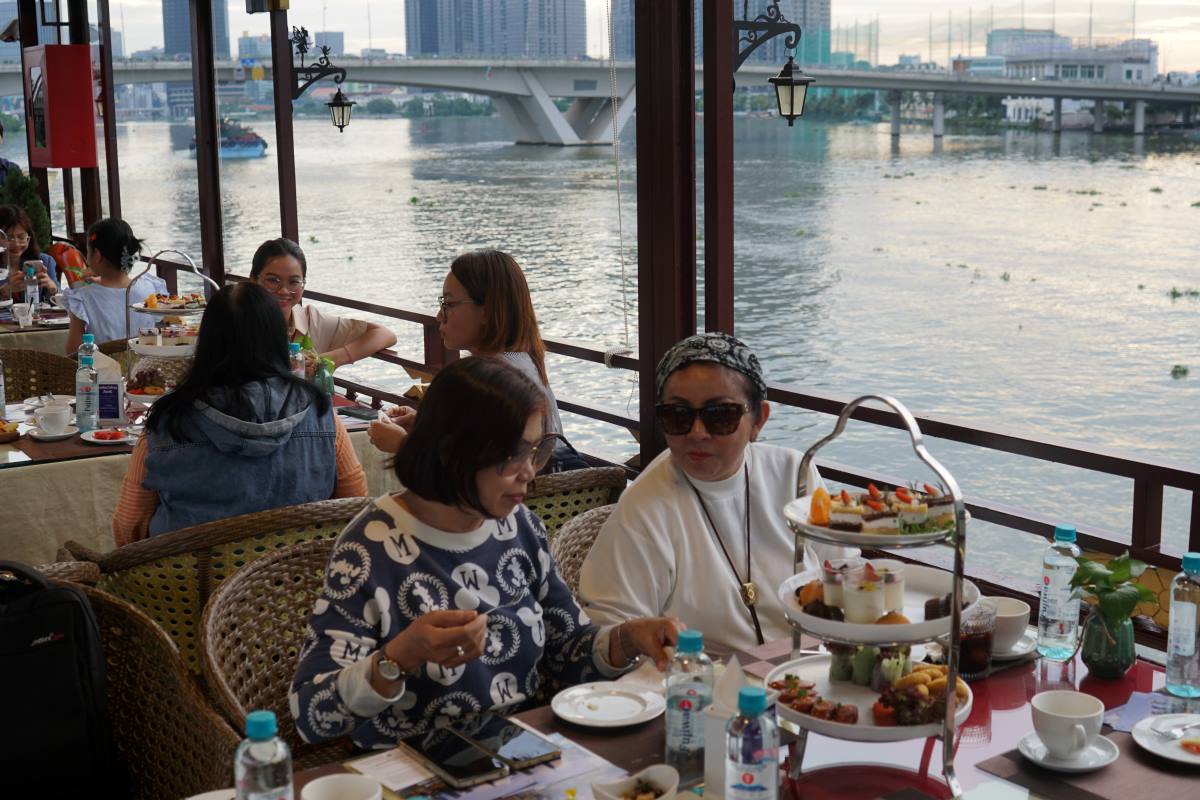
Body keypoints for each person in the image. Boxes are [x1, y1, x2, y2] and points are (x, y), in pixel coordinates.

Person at [291, 357, 680, 749]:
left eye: (536, 450)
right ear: (451, 451)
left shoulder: (520, 527)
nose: (529, 472)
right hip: (409, 764)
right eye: (512, 455)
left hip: (523, 748)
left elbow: (570, 652)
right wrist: (400, 657)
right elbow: (312, 714)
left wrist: (629, 638)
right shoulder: (370, 547)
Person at [577, 332, 857, 653]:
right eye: (677, 415)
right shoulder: (645, 507)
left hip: (811, 663)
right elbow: (610, 632)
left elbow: (845, 572)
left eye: (721, 415)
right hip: (706, 677)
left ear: (759, 420)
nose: (698, 433)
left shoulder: (794, 474)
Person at [111, 282, 368, 545]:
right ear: (278, 340)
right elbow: (355, 506)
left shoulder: (168, 421)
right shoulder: (321, 415)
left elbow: (129, 525)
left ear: (206, 342)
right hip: (298, 567)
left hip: (189, 571)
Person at [369, 250, 587, 472]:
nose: (439, 316)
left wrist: (403, 445)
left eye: (448, 304)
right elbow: (483, 444)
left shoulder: (488, 380)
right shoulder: (523, 363)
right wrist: (421, 427)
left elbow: (472, 476)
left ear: (487, 311)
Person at [249, 238, 397, 368]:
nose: (283, 291)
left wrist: (326, 360)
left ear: (303, 285)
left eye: (293, 282)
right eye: (273, 280)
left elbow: (385, 334)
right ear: (253, 280)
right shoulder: (241, 322)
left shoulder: (310, 321)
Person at [62, 218, 166, 353]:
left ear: (97, 255)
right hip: (146, 363)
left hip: (103, 366)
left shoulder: (82, 298)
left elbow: (73, 351)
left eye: (88, 251)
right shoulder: (150, 288)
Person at [0, 204, 57, 303]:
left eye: (21, 237)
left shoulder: (45, 261)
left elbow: (63, 301)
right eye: (8, 238)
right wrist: (3, 292)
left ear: (29, 238)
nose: (16, 244)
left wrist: (53, 289)